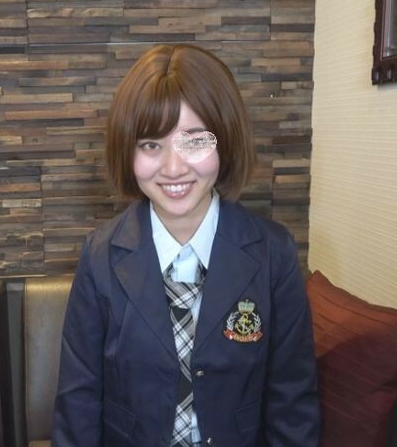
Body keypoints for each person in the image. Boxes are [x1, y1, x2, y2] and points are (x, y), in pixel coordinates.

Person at [52, 44, 319, 447]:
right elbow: (78, 400)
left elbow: (292, 402)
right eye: (151, 145)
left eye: (194, 141)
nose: (174, 168)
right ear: (128, 151)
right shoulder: (100, 255)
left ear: (225, 140)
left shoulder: (273, 252)